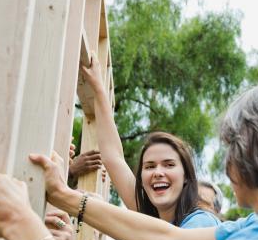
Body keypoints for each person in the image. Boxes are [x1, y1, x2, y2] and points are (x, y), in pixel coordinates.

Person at [0, 72, 258, 240]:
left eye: (231, 148)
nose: (227, 165)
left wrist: (20, 224)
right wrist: (65, 197)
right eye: (148, 166)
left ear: (254, 153)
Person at [79, 53, 219, 228]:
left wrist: (91, 208)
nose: (158, 172)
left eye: (169, 164)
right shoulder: (151, 219)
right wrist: (98, 89)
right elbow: (113, 158)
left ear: (186, 177)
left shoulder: (200, 222)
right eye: (150, 166)